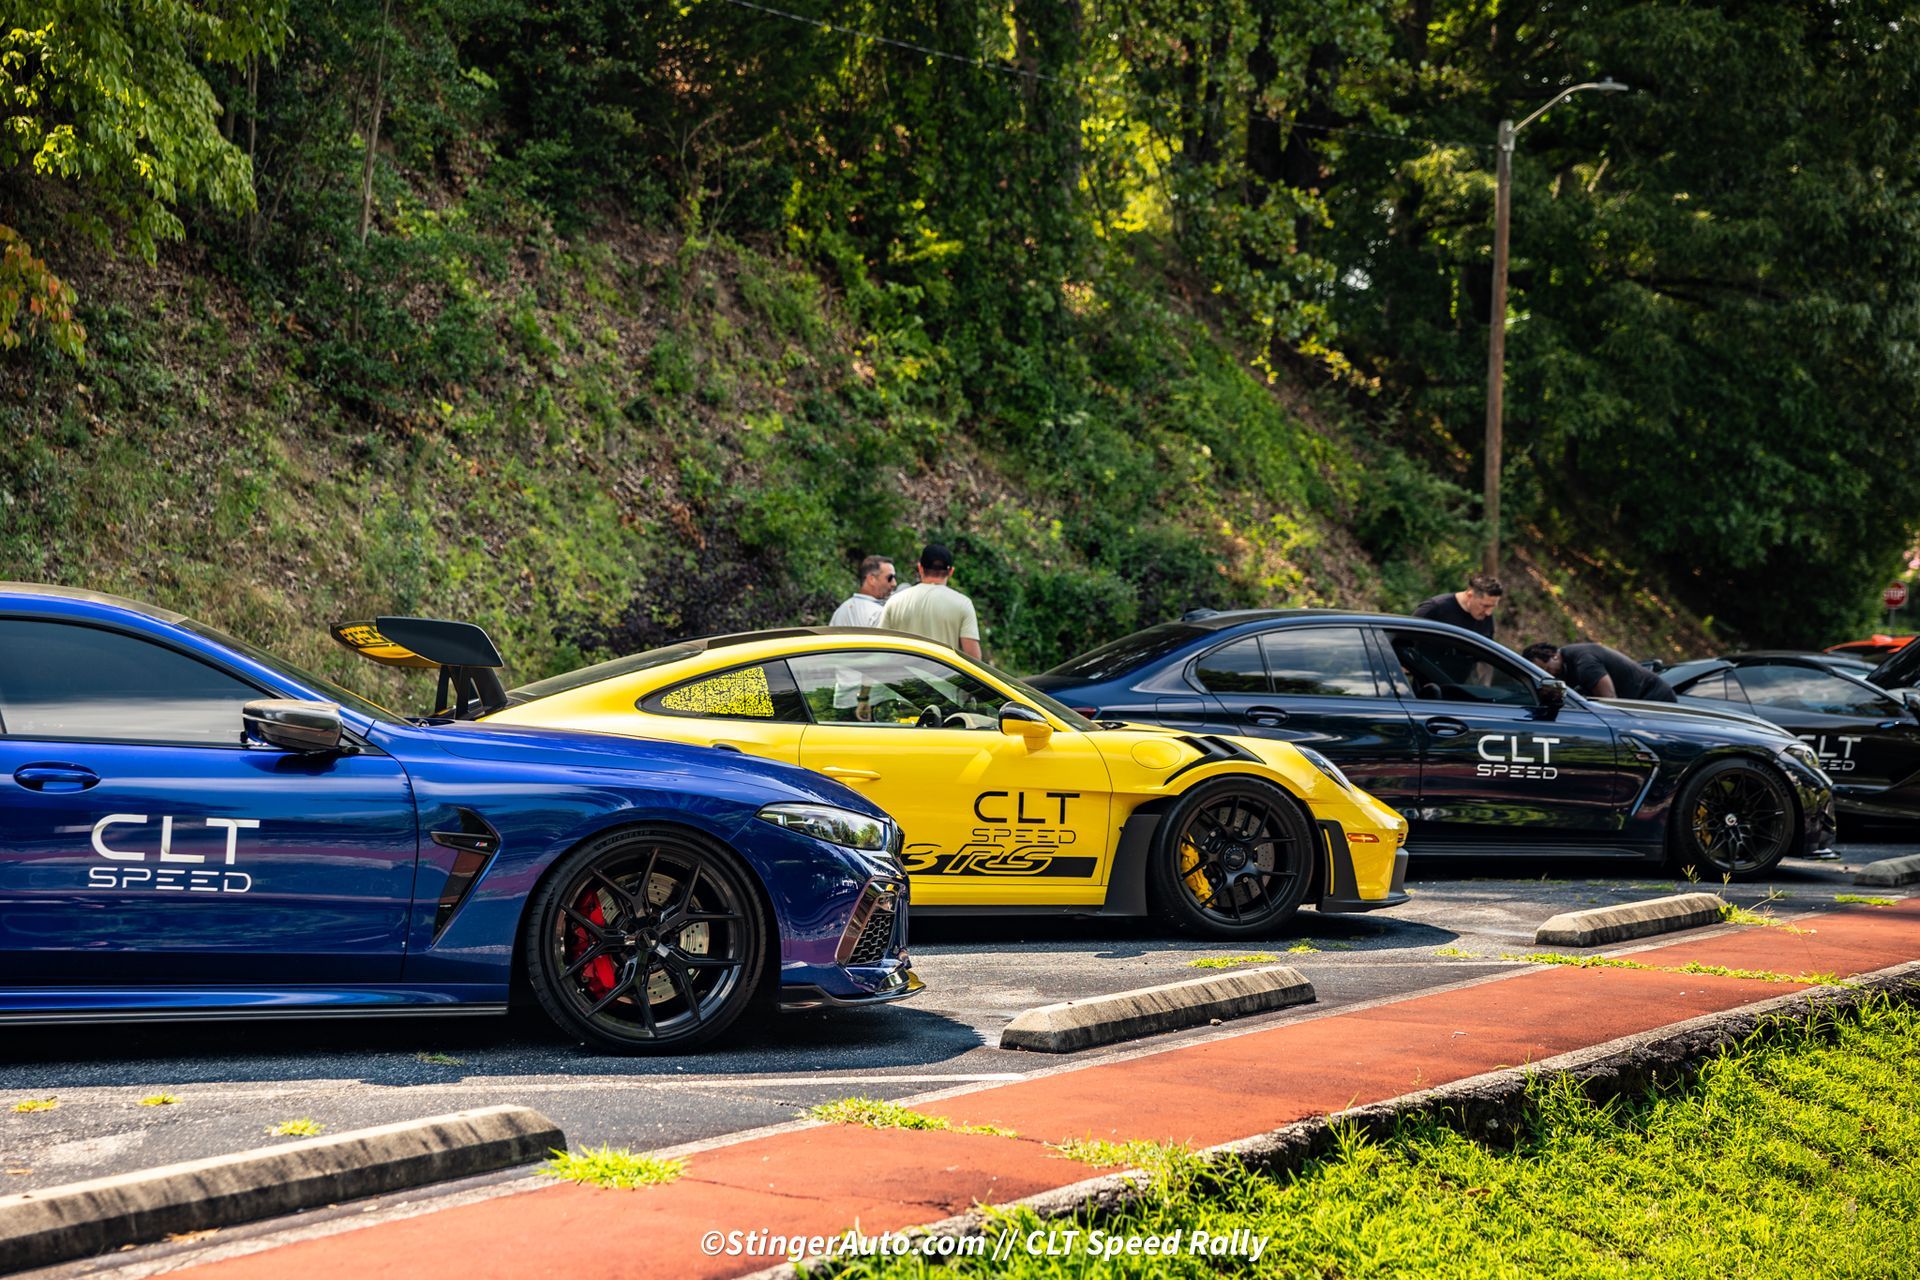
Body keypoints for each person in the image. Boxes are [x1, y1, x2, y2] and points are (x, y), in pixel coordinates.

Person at [880, 542, 982, 658]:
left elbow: (879, 647)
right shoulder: (963, 604)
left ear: (920, 568)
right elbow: (974, 657)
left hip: (901, 675)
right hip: (944, 676)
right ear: (951, 572)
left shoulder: (894, 602)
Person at [1522, 641, 1677, 702]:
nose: (1547, 674)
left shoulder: (1584, 662)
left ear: (1554, 656)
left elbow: (1609, 700)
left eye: (1545, 669)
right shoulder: (1566, 665)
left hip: (1655, 698)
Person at [1412, 574, 1503, 640]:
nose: (1488, 612)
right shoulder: (1435, 608)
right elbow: (1405, 638)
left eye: (1493, 606)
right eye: (1485, 606)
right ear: (1470, 595)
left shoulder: (1485, 618)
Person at [829, 555, 895, 628]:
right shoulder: (878, 613)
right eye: (890, 578)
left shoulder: (841, 611)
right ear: (871, 579)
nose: (894, 583)